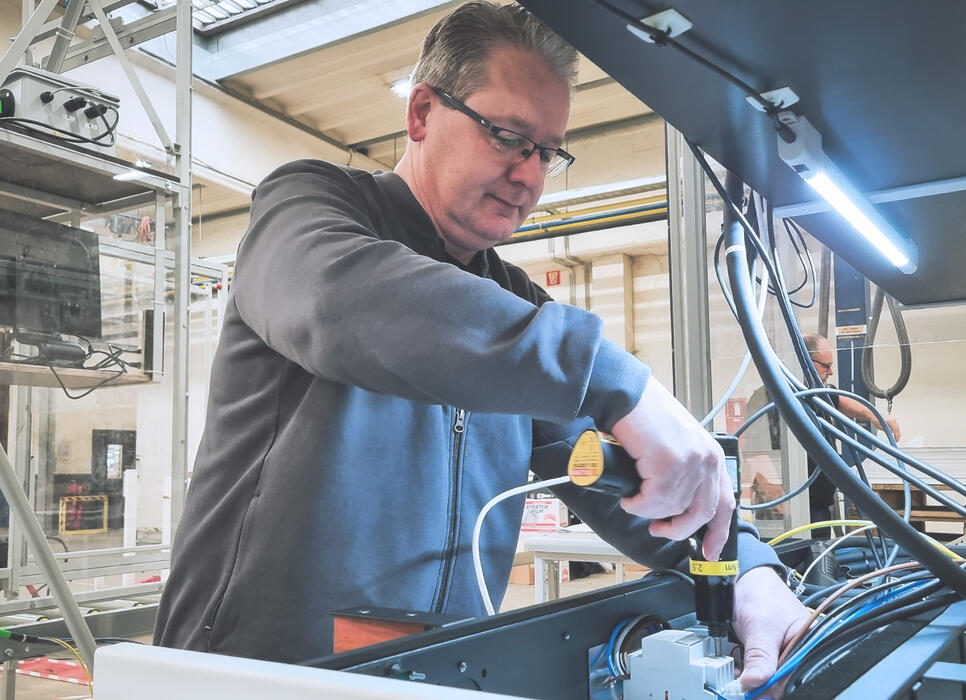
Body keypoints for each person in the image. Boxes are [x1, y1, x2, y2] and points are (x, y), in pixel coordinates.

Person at [153, 2, 808, 689]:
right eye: (506, 135)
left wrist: (750, 573)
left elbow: (629, 482)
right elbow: (338, 305)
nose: (529, 175)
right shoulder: (309, 210)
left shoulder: (517, 306)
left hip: (437, 675)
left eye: (547, 151)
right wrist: (618, 378)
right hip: (252, 677)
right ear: (421, 114)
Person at [804, 333, 901, 536]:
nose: (831, 371)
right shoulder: (775, 396)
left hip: (819, 505)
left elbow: (838, 398)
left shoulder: (817, 393)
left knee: (821, 560)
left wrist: (876, 417)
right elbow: (759, 453)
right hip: (795, 510)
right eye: (826, 365)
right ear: (804, 360)